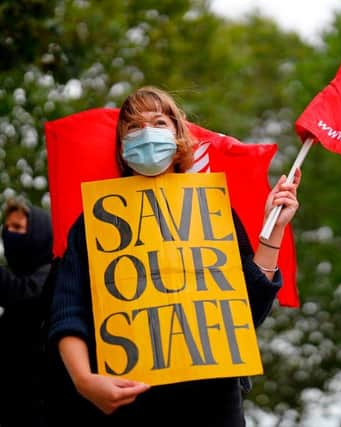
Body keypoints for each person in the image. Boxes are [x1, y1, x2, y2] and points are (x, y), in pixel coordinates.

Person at [46, 86, 301, 426]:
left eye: (158, 122)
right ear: (122, 146)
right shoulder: (93, 221)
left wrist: (274, 232)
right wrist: (84, 380)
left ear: (179, 136)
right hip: (129, 403)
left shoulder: (213, 211)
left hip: (214, 405)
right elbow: (68, 310)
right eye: (133, 127)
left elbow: (248, 312)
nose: (147, 134)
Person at [0, 198, 53, 427]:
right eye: (8, 228)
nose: (11, 234)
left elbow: (25, 295)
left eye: (19, 228)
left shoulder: (52, 274)